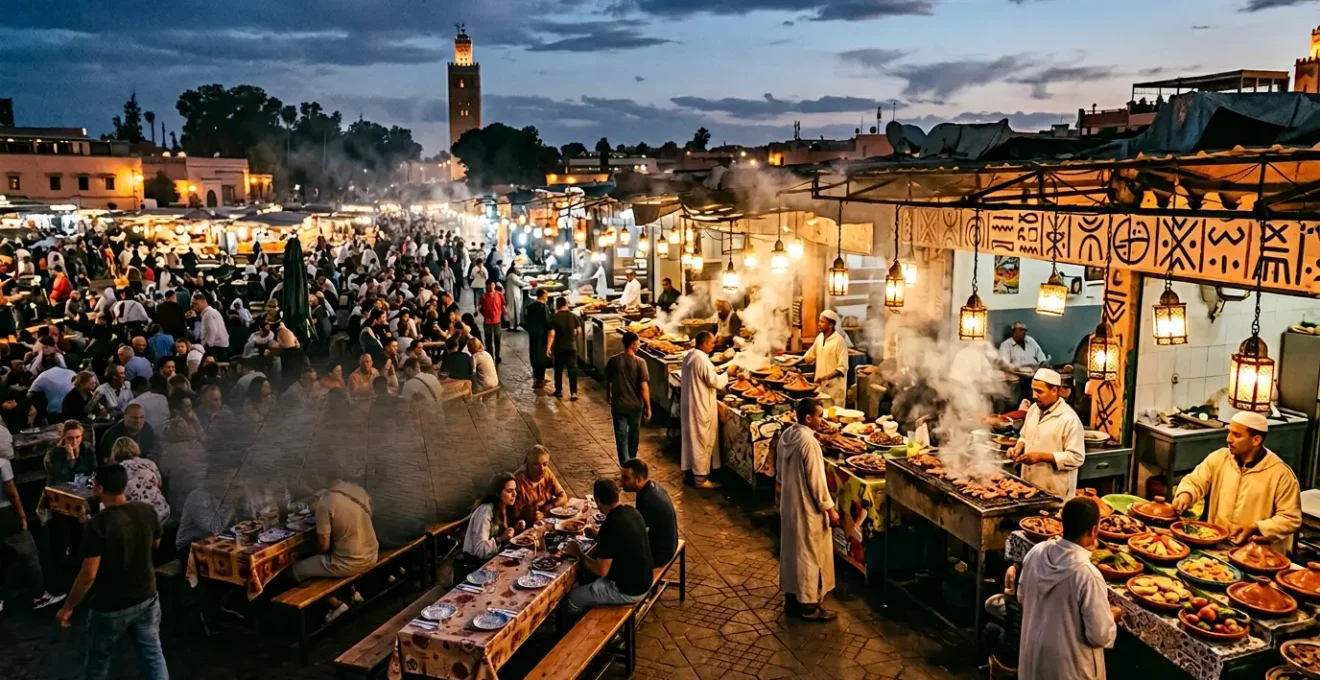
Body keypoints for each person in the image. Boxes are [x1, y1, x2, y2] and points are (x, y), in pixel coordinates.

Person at [56, 464, 168, 680]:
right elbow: (156, 543)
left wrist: (68, 607)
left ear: (98, 487)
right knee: (153, 655)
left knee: (98, 663)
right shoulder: (146, 511)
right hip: (147, 596)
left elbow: (88, 574)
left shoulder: (97, 525)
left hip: (111, 606)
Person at [1017, 496, 1121, 680]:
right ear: (1094, 530)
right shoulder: (1087, 574)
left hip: (1034, 661)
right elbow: (1099, 636)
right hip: (1070, 670)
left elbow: (1022, 597)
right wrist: (1111, 616)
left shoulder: (1037, 551)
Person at [1172, 411, 1302, 553]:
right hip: (1216, 545)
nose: (1228, 439)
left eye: (1237, 435)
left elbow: (1290, 518)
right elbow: (1195, 481)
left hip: (1255, 554)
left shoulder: (1280, 473)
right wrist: (1186, 494)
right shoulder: (1220, 458)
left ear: (1256, 440)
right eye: (1229, 432)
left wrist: (1258, 527)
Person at [777, 398, 838, 621]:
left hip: (789, 505)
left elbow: (779, 473)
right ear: (808, 418)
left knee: (792, 552)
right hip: (806, 509)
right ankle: (808, 605)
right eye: (820, 416)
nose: (822, 421)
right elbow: (817, 482)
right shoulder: (809, 442)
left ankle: (792, 598)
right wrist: (830, 509)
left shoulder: (787, 435)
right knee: (809, 555)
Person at [291, 471, 380, 624]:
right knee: (326, 558)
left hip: (351, 562)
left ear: (321, 477)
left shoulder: (325, 503)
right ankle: (352, 592)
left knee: (296, 570)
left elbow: (323, 545)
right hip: (372, 552)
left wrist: (313, 556)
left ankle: (335, 604)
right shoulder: (357, 490)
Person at [563, 478, 653, 614]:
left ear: (597, 501)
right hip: (645, 580)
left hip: (628, 590)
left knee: (573, 597)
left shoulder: (610, 525)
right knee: (589, 582)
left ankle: (582, 629)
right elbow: (619, 539)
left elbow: (601, 570)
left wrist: (578, 553)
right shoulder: (632, 511)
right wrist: (597, 536)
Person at [1, 438, 66, 612]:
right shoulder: (2, 463)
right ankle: (39, 597)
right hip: (5, 514)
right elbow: (11, 492)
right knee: (29, 556)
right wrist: (22, 515)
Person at [1008, 368, 1085, 499]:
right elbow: (1025, 436)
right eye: (1033, 390)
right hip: (1029, 485)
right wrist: (1018, 447)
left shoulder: (1069, 419)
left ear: (1054, 390)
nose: (1034, 396)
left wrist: (1042, 457)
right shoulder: (1033, 409)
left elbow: (1077, 457)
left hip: (1055, 491)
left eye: (1039, 391)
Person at [680, 331, 728, 489]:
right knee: (702, 441)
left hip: (690, 405)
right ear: (704, 343)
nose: (713, 345)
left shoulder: (689, 356)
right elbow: (715, 382)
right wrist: (728, 373)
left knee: (691, 440)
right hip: (701, 407)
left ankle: (690, 472)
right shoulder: (702, 360)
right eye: (712, 343)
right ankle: (700, 479)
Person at [460, 472, 523, 570]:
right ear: (497, 493)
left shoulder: (506, 507)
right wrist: (501, 538)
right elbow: (480, 551)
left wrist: (515, 528)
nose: (515, 494)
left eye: (515, 490)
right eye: (509, 491)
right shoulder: (485, 512)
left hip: (495, 562)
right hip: (476, 566)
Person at [605, 331, 651, 464]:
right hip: (635, 406)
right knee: (634, 434)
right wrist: (648, 407)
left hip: (619, 405)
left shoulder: (613, 360)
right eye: (638, 343)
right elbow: (643, 387)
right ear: (632, 344)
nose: (639, 345)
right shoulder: (640, 362)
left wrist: (609, 395)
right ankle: (631, 460)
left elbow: (608, 380)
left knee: (621, 435)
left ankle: (625, 461)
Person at [620, 459, 677, 564]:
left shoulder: (648, 500)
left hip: (661, 553)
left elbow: (640, 535)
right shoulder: (650, 487)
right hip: (668, 543)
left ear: (639, 479)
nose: (621, 482)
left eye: (626, 478)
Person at [110, 437, 170, 523]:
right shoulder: (149, 463)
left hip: (135, 517)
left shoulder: (118, 470)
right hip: (160, 512)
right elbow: (159, 484)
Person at [801, 310, 849, 406]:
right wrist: (795, 362)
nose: (819, 324)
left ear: (831, 325)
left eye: (822, 322)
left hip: (834, 389)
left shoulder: (839, 341)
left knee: (833, 416)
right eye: (819, 321)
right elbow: (810, 355)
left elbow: (842, 368)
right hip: (820, 387)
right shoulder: (820, 338)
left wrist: (825, 377)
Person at [513, 445, 568, 524]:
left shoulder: (546, 473)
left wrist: (547, 509)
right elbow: (512, 514)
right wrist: (526, 514)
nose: (542, 469)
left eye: (545, 464)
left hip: (544, 516)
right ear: (528, 464)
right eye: (536, 464)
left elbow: (563, 496)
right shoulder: (517, 482)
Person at [546, 296, 582, 399]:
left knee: (558, 369)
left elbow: (552, 334)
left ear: (557, 306)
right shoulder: (573, 316)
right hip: (572, 347)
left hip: (558, 348)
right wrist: (572, 335)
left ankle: (558, 391)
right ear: (566, 304)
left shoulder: (553, 317)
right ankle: (573, 393)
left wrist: (548, 347)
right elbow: (579, 330)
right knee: (572, 370)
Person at [45, 420, 95, 485]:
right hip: (61, 489)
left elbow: (94, 470)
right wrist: (70, 458)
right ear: (64, 438)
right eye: (70, 438)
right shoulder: (54, 453)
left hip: (83, 487)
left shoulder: (88, 448)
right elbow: (62, 478)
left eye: (77, 437)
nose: (74, 441)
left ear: (82, 436)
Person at [524, 289, 552, 389]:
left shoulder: (530, 306)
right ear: (542, 295)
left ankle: (536, 377)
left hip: (533, 334)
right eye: (546, 294)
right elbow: (548, 322)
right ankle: (540, 379)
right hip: (542, 334)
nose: (547, 296)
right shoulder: (543, 307)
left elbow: (525, 321)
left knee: (534, 354)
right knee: (541, 356)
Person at [193, 293, 230, 358]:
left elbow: (212, 330)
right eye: (193, 305)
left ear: (204, 302)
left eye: (196, 304)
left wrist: (207, 346)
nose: (195, 307)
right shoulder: (210, 312)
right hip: (218, 346)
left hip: (216, 347)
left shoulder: (209, 314)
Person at [478, 280, 504, 363]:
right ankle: (490, 356)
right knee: (488, 339)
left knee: (497, 338)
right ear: (486, 286)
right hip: (488, 321)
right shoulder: (483, 297)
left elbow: (503, 305)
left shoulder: (499, 294)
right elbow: (480, 307)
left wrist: (501, 314)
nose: (491, 287)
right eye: (488, 285)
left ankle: (497, 355)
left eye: (492, 285)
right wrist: (485, 315)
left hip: (497, 320)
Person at [504, 263, 525, 330]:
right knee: (512, 310)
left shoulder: (512, 275)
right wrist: (527, 283)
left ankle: (514, 325)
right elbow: (520, 283)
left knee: (515, 310)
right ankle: (511, 324)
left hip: (514, 294)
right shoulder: (512, 276)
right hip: (512, 295)